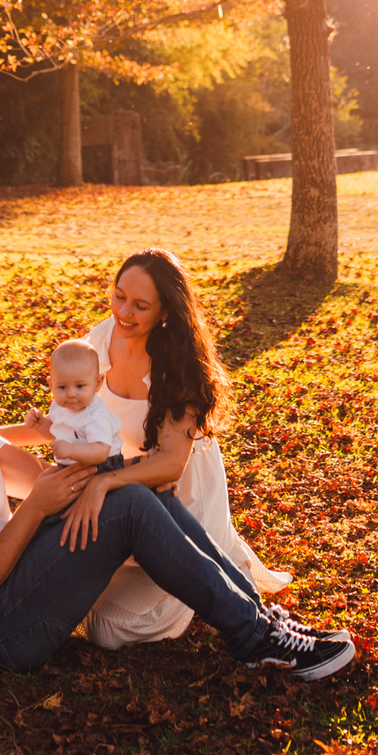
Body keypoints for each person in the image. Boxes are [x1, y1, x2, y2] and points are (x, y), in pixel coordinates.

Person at [0, 319, 356, 680]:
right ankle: (255, 641)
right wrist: (39, 507)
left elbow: (30, 476)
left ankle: (262, 623)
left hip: (14, 577)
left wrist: (109, 473)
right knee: (131, 505)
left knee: (137, 486)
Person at [75, 249, 295, 651]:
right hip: (132, 481)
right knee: (82, 603)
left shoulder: (177, 363)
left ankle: (214, 572)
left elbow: (172, 464)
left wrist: (104, 482)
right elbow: (75, 413)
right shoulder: (100, 339)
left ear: (164, 311)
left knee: (110, 629)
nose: (124, 311)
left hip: (182, 493)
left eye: (140, 305)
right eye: (119, 295)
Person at [0, 337, 124, 468]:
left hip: (102, 467)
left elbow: (101, 452)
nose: (71, 394)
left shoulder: (96, 415)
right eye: (62, 387)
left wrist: (70, 450)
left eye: (80, 386)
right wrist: (40, 425)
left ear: (97, 383)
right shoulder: (59, 406)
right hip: (70, 464)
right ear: (51, 385)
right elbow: (55, 432)